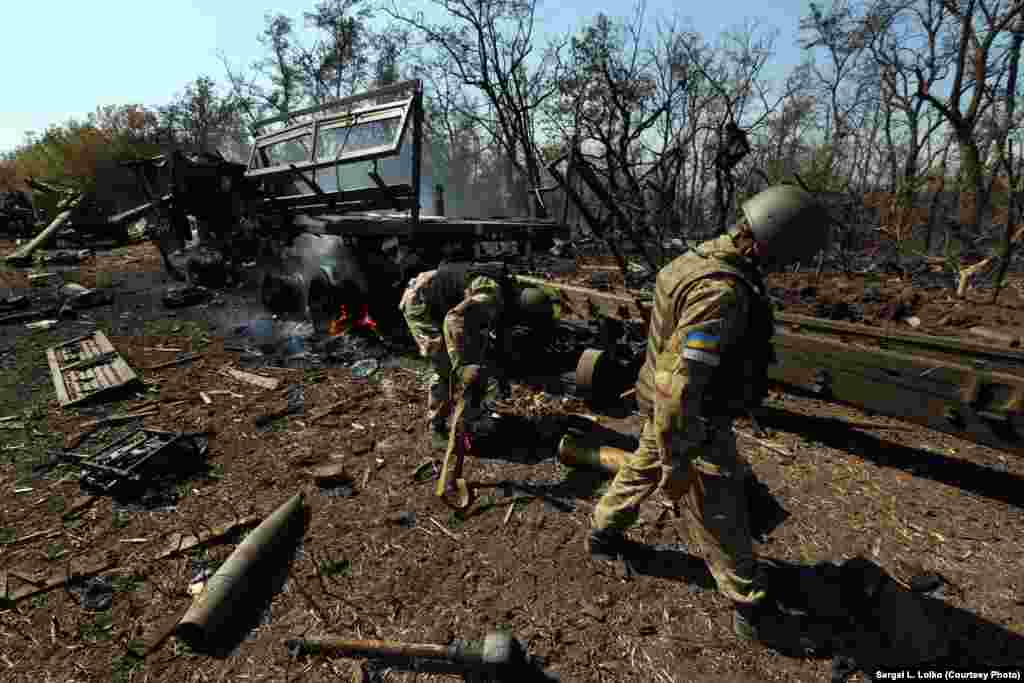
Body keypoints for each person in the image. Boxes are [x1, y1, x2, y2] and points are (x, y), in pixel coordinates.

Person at [586, 184, 832, 647]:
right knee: (718, 508)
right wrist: (680, 457)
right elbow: (680, 384)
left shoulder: (694, 260)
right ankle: (750, 605)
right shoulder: (720, 291)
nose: (785, 268)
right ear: (767, 243)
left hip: (663, 407)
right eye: (786, 257)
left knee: (645, 460)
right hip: (689, 416)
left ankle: (603, 529)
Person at [399, 261, 554, 451]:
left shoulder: (510, 289)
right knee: (445, 368)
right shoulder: (490, 297)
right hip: (420, 303)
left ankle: (475, 415)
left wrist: (501, 373)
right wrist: (463, 365)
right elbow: (454, 319)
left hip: (445, 298)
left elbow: (493, 334)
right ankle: (437, 429)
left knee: (479, 351)